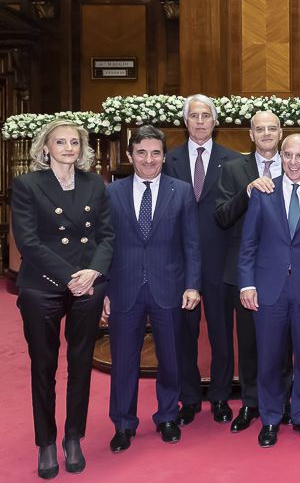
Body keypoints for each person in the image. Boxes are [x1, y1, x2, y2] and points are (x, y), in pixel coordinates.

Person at [11, 120, 115, 479]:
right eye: (60, 142)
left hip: (88, 283)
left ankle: (73, 437)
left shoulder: (94, 183)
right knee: (43, 367)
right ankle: (46, 442)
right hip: (43, 285)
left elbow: (107, 236)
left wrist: (94, 273)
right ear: (46, 147)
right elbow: (28, 242)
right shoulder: (27, 184)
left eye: (74, 141)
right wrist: (70, 277)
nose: (68, 147)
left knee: (81, 363)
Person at [214, 111, 300, 432]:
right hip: (248, 272)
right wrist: (248, 191)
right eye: (259, 129)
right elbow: (221, 217)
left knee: (289, 344)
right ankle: (251, 405)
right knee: (252, 344)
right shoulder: (235, 170)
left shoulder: (293, 165)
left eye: (271, 128)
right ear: (250, 134)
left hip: (291, 274)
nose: (265, 134)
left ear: (280, 134)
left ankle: (285, 403)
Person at [105, 126, 201, 452]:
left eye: (156, 152)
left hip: (169, 288)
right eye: (142, 152)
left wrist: (192, 286)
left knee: (171, 359)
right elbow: (103, 245)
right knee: (123, 361)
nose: (149, 159)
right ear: (130, 155)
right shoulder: (112, 192)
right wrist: (103, 289)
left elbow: (192, 244)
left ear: (164, 156)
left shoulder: (182, 191)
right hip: (123, 287)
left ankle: (167, 416)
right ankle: (123, 423)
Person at [239, 134, 300, 448]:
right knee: (267, 358)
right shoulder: (262, 192)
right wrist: (247, 282)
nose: (293, 162)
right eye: (288, 155)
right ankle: (269, 419)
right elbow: (248, 244)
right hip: (268, 289)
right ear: (281, 157)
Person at [163, 94, 242, 426]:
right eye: (193, 115)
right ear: (185, 121)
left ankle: (221, 397)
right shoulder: (167, 160)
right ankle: (190, 398)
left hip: (220, 261)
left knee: (222, 333)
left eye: (205, 116)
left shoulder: (235, 160)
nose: (199, 121)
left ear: (215, 121)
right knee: (184, 333)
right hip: (179, 262)